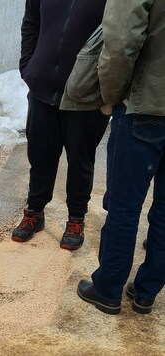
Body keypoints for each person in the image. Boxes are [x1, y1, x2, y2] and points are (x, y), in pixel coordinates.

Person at [77, 0, 165, 315]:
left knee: (124, 207)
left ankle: (107, 289)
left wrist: (112, 97)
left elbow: (120, 42)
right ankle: (146, 292)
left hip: (146, 107)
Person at [12, 0, 110, 250]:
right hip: (43, 88)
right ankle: (35, 212)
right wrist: (28, 65)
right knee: (40, 154)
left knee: (81, 160)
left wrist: (106, 88)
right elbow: (31, 22)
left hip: (86, 94)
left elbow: (119, 38)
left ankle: (76, 218)